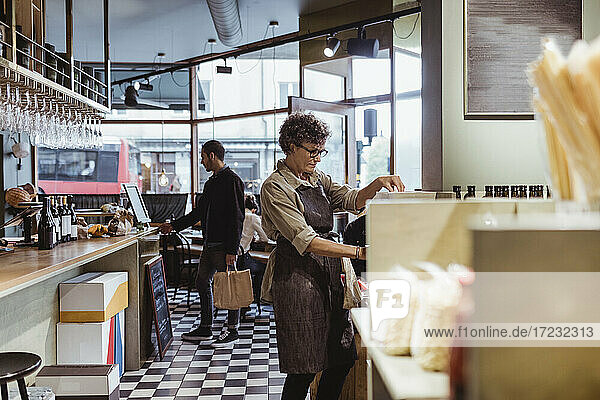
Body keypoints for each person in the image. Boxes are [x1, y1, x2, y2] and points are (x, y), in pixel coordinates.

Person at [260, 112, 404, 400]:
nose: (317, 157)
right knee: (304, 368)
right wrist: (359, 252)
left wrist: (376, 185)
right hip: (297, 279)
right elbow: (307, 240)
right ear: (290, 145)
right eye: (312, 151)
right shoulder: (276, 187)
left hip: (329, 277)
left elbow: (351, 200)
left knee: (341, 358)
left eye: (321, 151)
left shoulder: (317, 179)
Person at [160, 140, 245, 347]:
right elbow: (199, 212)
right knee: (201, 281)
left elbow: (237, 217)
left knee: (230, 287)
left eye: (203, 156)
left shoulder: (232, 180)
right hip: (209, 245)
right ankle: (206, 327)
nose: (202, 161)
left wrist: (232, 249)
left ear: (213, 156)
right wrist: (174, 226)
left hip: (224, 246)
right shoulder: (211, 183)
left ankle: (232, 330)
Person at [238, 194, 269, 316]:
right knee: (264, 268)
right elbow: (265, 238)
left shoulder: (235, 215)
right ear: (254, 208)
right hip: (243, 258)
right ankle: (258, 298)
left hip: (233, 257)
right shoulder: (252, 217)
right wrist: (254, 238)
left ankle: (245, 303)